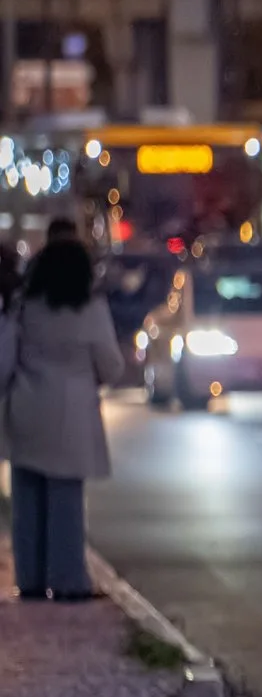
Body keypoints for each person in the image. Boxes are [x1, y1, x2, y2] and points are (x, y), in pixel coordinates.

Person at [0, 230, 123, 600]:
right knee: (66, 500)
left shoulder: (23, 309)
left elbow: (4, 363)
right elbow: (111, 366)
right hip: (72, 417)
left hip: (27, 411)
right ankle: (69, 580)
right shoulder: (91, 311)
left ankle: (31, 579)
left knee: (27, 500)